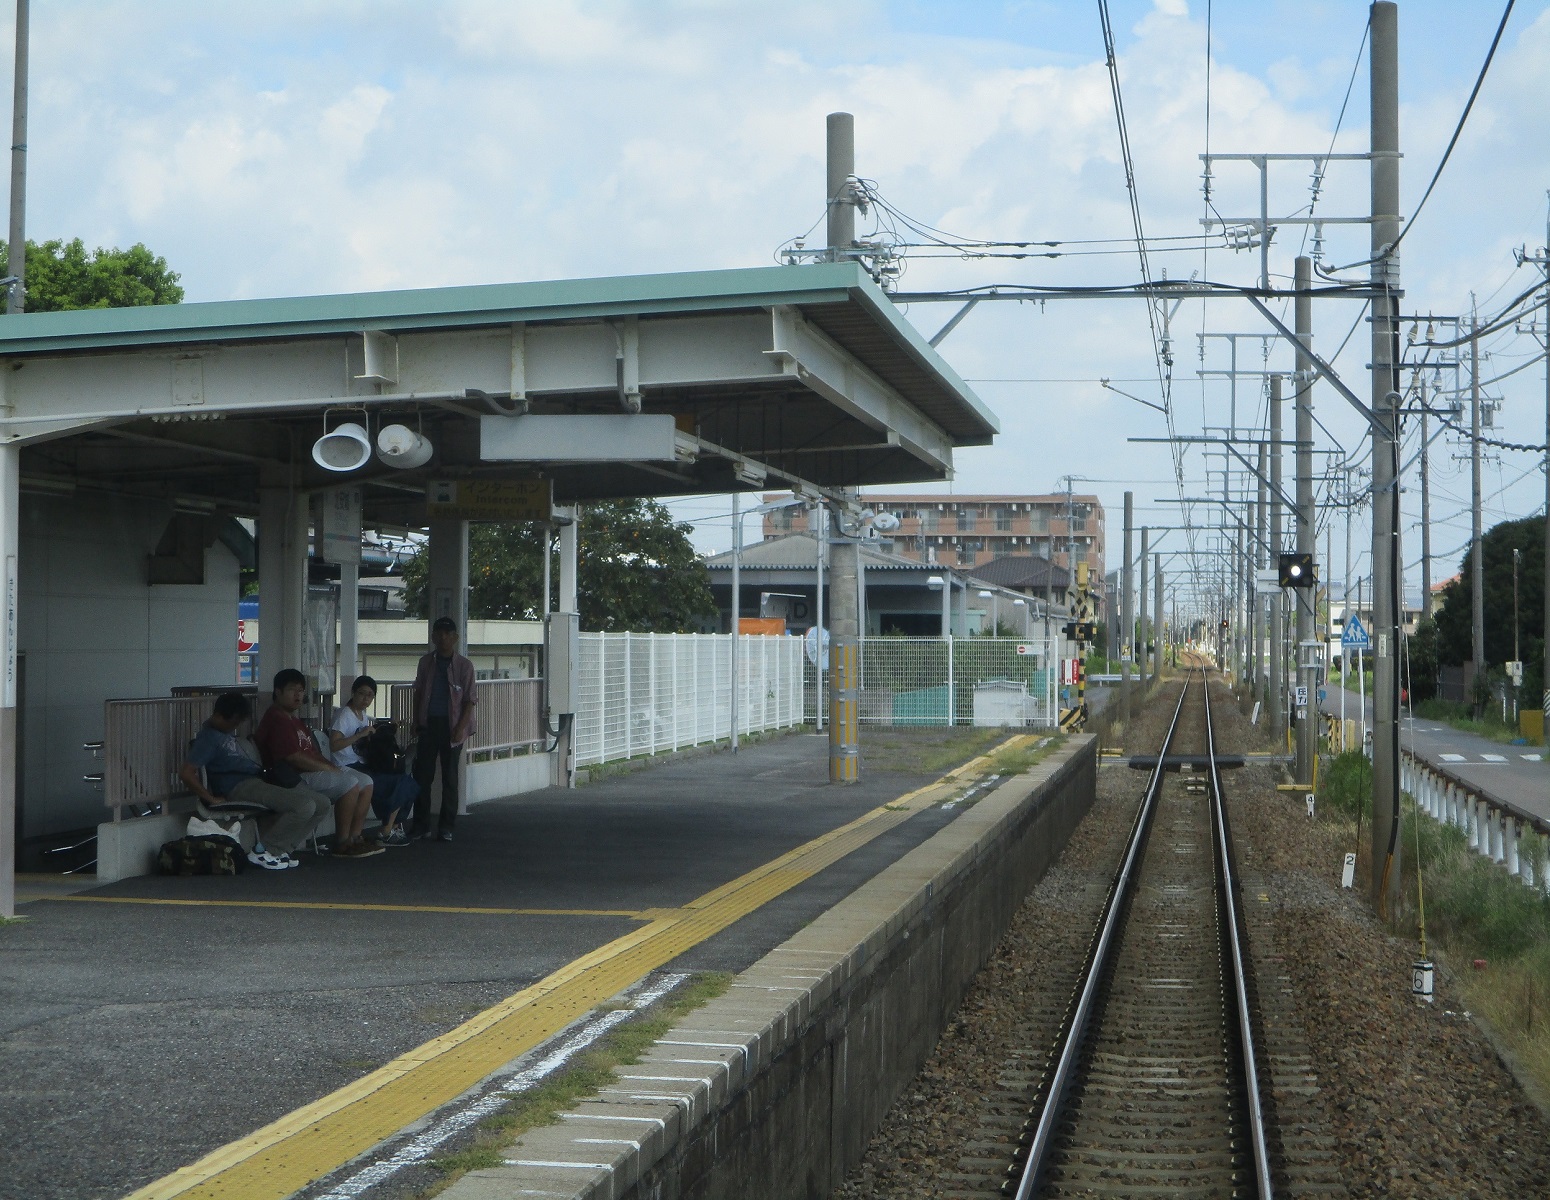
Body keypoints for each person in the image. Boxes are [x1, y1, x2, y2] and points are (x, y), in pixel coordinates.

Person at [179, 691, 330, 870]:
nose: (235, 727)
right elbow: (186, 773)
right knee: (304, 806)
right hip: (239, 787)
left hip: (256, 781)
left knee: (322, 803)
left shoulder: (223, 733)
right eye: (233, 722)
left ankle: (281, 849)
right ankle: (264, 850)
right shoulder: (207, 739)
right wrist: (210, 799)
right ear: (218, 715)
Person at [255, 668, 383, 858]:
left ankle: (354, 838)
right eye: (292, 690)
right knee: (350, 783)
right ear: (278, 692)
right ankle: (342, 843)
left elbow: (313, 753)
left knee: (365, 782)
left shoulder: (294, 721)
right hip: (293, 777)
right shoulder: (277, 719)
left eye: (301, 690)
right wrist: (329, 769)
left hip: (310, 772)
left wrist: (331, 768)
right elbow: (294, 758)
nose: (298, 695)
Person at [330, 675, 419, 847]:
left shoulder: (362, 715)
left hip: (363, 764)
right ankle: (385, 832)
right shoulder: (344, 714)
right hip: (346, 765)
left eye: (370, 695)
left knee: (406, 781)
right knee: (396, 783)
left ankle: (390, 828)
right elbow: (334, 745)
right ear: (353, 693)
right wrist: (359, 735)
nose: (365, 698)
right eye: (361, 693)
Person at [411, 617, 477, 842]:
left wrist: (460, 728)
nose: (443, 638)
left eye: (448, 634)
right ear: (433, 637)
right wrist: (415, 721)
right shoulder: (425, 662)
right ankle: (421, 825)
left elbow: (470, 700)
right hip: (428, 724)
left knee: (450, 777)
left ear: (455, 638)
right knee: (422, 776)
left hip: (452, 726)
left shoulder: (464, 666)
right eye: (439, 634)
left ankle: (446, 826)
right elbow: (418, 692)